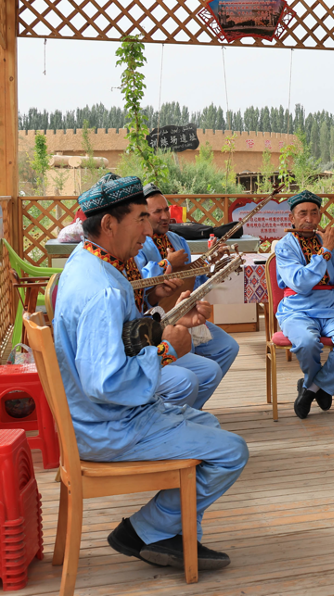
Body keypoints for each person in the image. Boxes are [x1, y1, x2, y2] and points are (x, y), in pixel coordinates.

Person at [55, 173, 248, 570]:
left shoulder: (87, 262)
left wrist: (169, 323)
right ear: (110, 224)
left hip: (97, 418)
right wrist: (165, 350)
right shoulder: (103, 289)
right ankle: (145, 530)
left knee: (209, 423)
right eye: (141, 218)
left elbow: (121, 338)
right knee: (232, 452)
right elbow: (107, 382)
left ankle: (174, 535)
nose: (148, 230)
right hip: (108, 426)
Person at [134, 183, 240, 408]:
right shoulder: (138, 244)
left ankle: (191, 408)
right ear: (143, 216)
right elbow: (137, 285)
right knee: (187, 367)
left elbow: (192, 281)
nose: (165, 216)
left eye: (166, 209)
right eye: (157, 212)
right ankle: (175, 406)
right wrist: (166, 264)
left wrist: (211, 268)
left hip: (184, 311)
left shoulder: (177, 240)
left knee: (228, 347)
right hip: (155, 320)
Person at [275, 190, 334, 420]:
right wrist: (326, 251)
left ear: (320, 216)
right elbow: (300, 282)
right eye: (302, 214)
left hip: (329, 309)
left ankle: (312, 388)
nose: (309, 219)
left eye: (314, 213)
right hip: (296, 310)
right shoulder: (284, 246)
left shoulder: (326, 240)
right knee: (306, 342)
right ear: (291, 219)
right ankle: (322, 387)